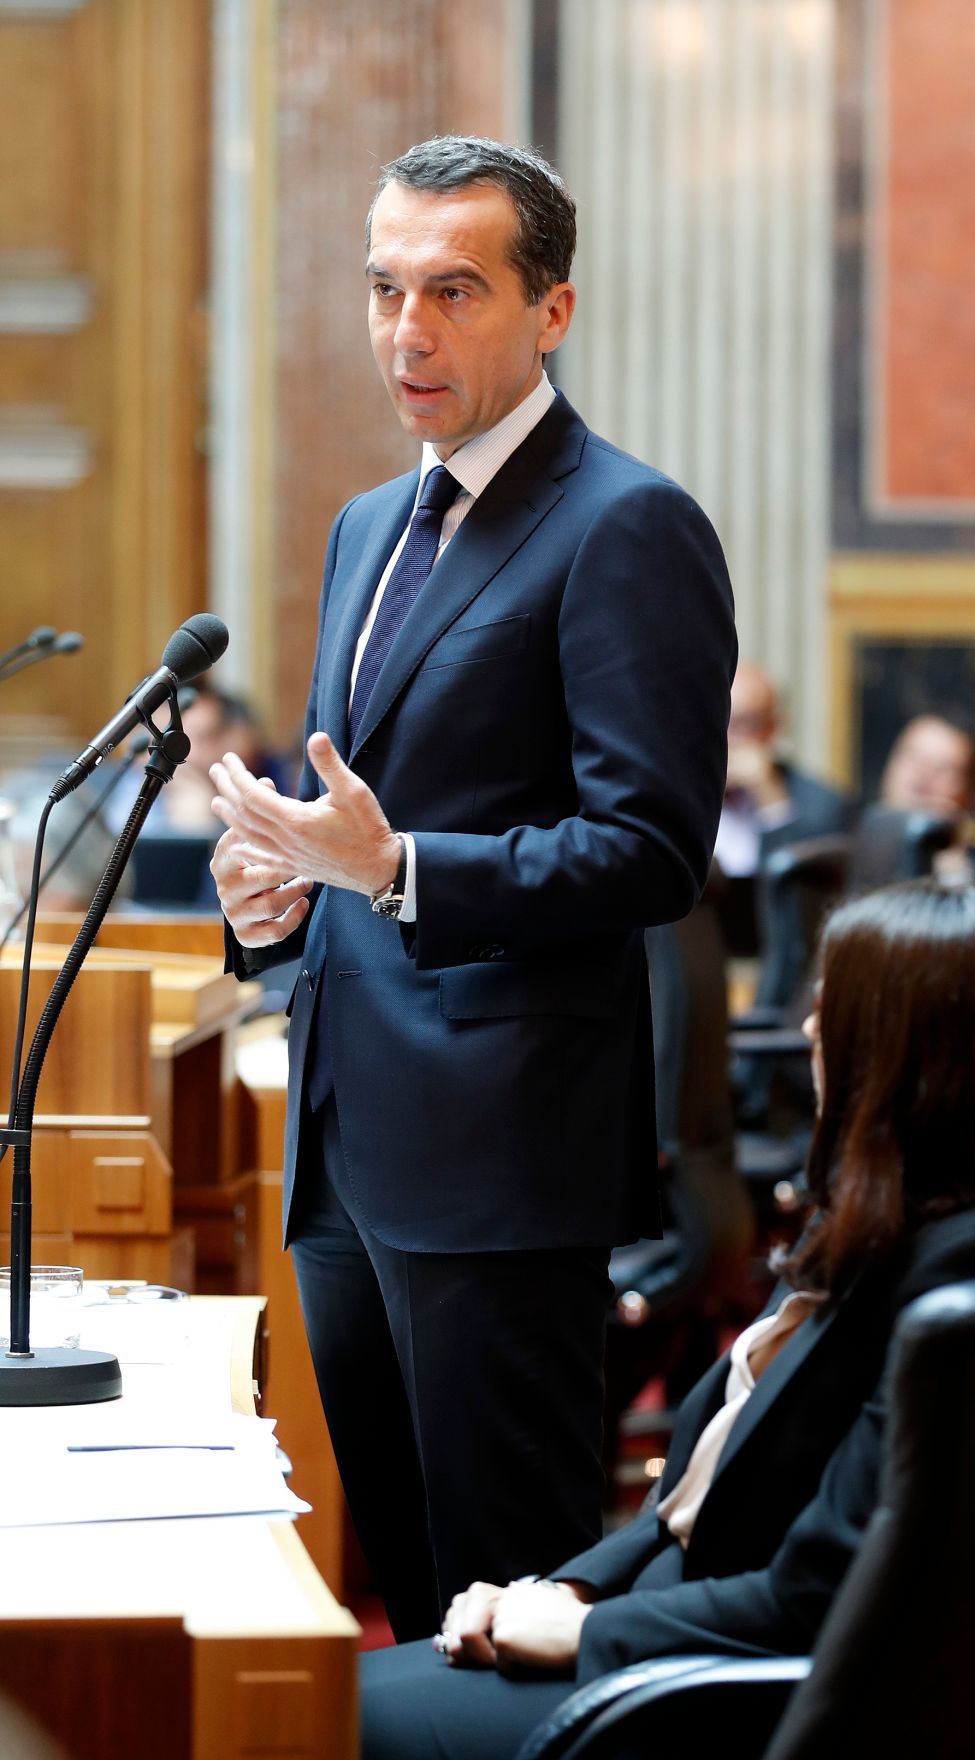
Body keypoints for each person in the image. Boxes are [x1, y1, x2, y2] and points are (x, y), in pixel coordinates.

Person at [207, 136, 736, 1639]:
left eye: (453, 291)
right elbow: (354, 821)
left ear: (551, 309)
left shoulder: (623, 524)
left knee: (506, 1605)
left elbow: (648, 851)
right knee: (403, 1589)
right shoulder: (368, 525)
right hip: (342, 1139)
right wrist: (287, 894)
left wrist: (396, 870)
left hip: (502, 1160)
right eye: (384, 289)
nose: (407, 332)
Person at [360, 881, 975, 1760]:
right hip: (672, 1624)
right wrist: (563, 1590)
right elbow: (694, 1496)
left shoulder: (959, 1270)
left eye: (836, 1012)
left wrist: (589, 1634)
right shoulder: (890, 1213)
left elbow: (821, 1593)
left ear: (903, 1050)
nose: (813, 1034)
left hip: (712, 1684)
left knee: (303, 1709)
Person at [715, 662, 852, 960]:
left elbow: (802, 913)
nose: (727, 739)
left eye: (744, 725)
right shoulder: (673, 792)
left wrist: (773, 803)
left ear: (773, 728)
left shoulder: (821, 805)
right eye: (717, 720)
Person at [877, 713, 975, 895]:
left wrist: (955, 877)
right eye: (912, 757)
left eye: (943, 769)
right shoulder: (842, 846)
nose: (922, 776)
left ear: (970, 795)